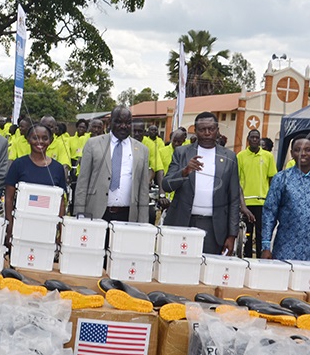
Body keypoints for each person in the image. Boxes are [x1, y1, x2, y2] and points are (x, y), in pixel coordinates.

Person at [162, 113, 240, 254]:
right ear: (196, 131)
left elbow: (234, 198)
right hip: (182, 223)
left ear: (217, 130)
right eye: (202, 129)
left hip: (214, 227)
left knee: (207, 272)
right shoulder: (181, 153)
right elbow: (166, 185)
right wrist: (184, 172)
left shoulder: (229, 157)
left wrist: (232, 235)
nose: (207, 133)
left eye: (211, 129)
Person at [74, 106, 151, 223]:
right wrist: (79, 213)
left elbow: (143, 190)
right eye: (119, 122)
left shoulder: (142, 150)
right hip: (96, 213)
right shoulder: (93, 144)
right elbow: (82, 182)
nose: (123, 126)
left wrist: (143, 221)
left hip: (128, 216)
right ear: (110, 123)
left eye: (128, 123)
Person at [4, 123, 68, 240]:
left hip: (47, 228)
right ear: (28, 139)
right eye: (35, 137)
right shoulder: (18, 164)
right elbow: (8, 198)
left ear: (51, 140)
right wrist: (10, 226)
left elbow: (61, 202)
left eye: (45, 138)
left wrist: (60, 230)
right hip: (21, 227)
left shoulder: (58, 168)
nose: (40, 142)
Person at [237, 129, 276, 258]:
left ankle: (260, 259)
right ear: (248, 139)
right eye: (252, 137)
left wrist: (272, 199)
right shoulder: (240, 156)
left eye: (257, 138)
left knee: (261, 233)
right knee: (247, 234)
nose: (254, 140)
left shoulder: (268, 156)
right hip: (246, 202)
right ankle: (246, 257)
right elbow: (237, 180)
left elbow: (271, 178)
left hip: (262, 202)